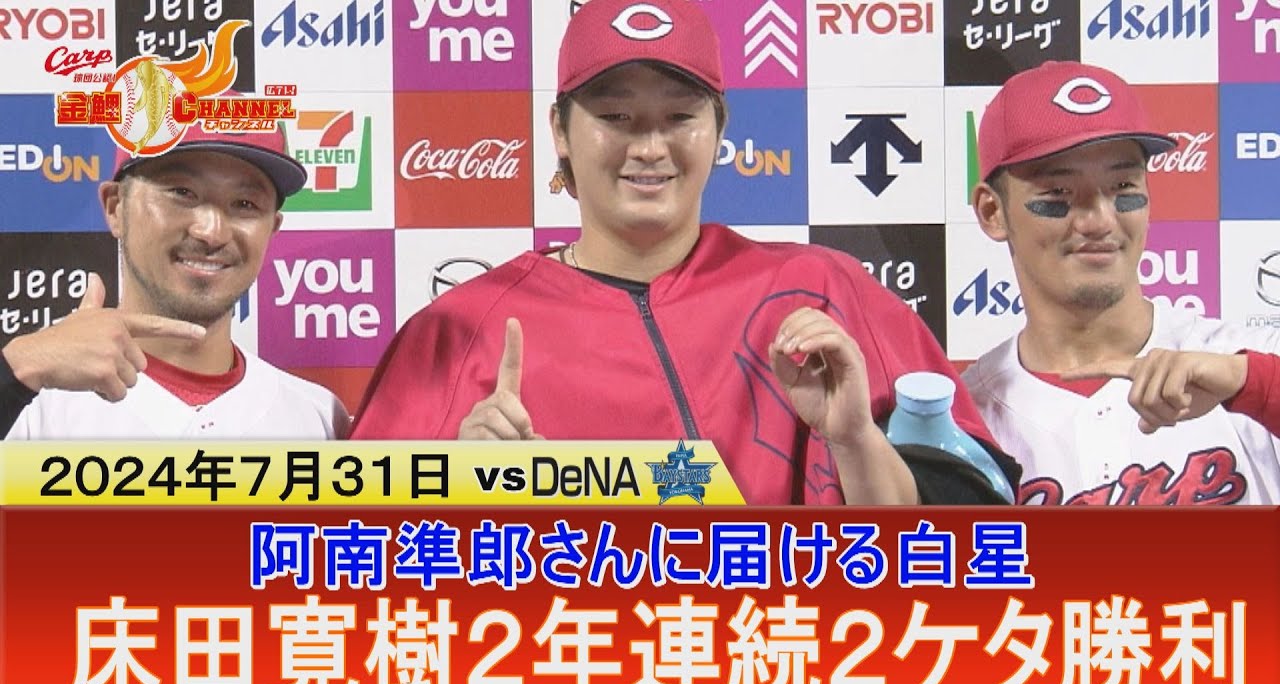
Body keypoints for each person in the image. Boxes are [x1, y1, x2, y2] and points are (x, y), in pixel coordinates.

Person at [352, 0, 1016, 505]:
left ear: (720, 128)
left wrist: (855, 439)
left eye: (679, 117)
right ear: (560, 130)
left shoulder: (816, 287)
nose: (649, 147)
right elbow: (343, 562)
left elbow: (966, 533)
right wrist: (455, 491)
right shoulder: (462, 329)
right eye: (615, 117)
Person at [963, 60, 1280, 505]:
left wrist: (1250, 385)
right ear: (992, 212)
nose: (1100, 220)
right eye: (1058, 193)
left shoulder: (1247, 364)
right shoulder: (965, 424)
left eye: (1122, 185)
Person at [2, 124, 349, 439]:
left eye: (245, 204)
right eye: (182, 192)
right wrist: (17, 370)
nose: (212, 232)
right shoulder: (29, 400)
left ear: (272, 229)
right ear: (115, 208)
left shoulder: (318, 421)